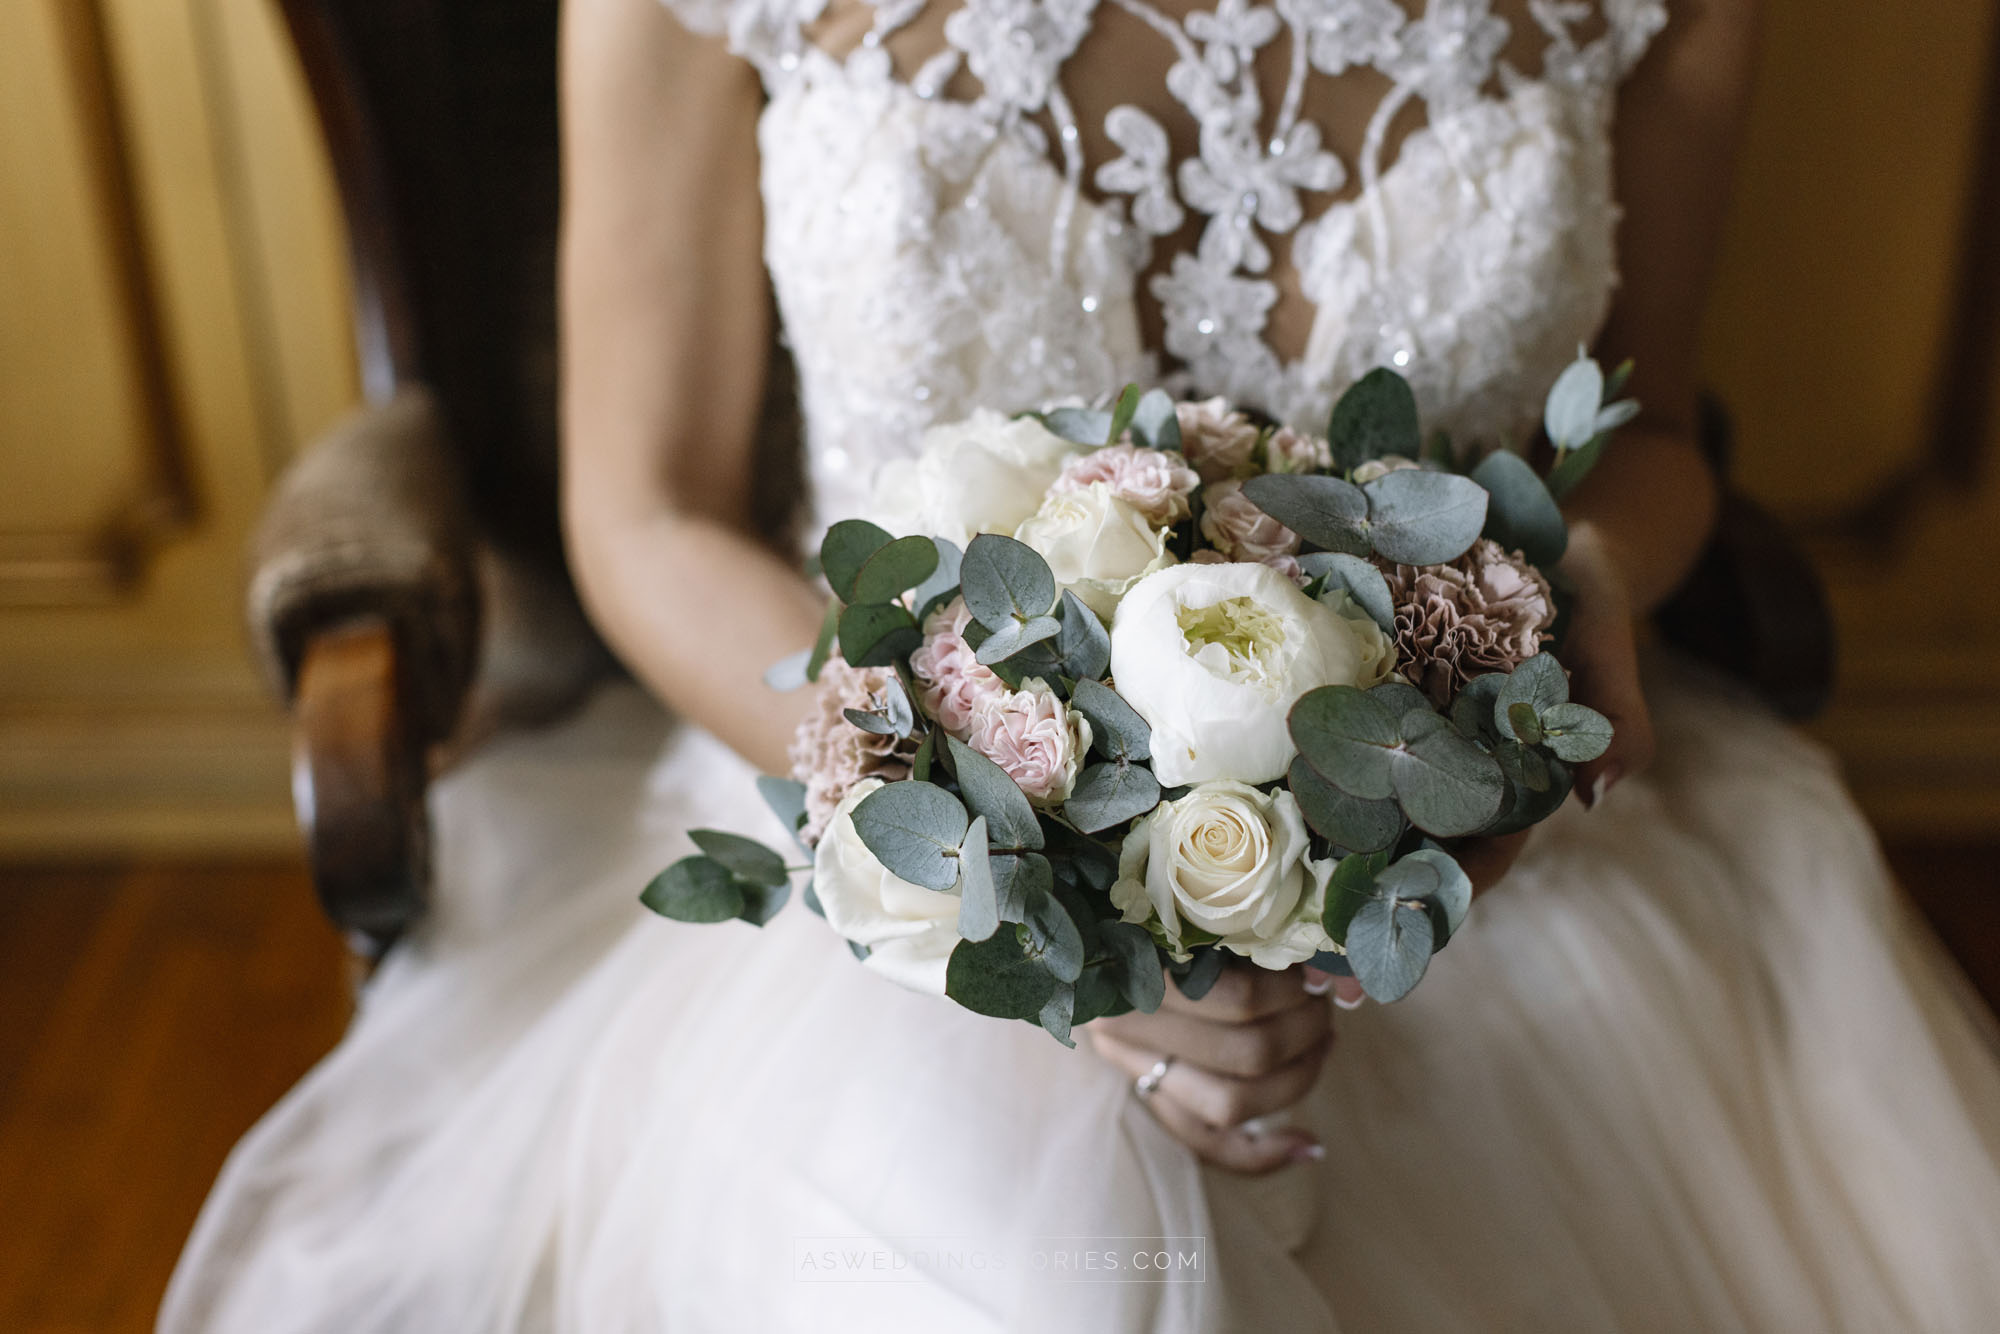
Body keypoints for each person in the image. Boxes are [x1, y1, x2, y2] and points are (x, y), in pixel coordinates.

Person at [162, 0, 2000, 1328]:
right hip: (888, 840)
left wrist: (1584, 573)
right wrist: (1018, 884)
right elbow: (640, 513)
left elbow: (1654, 429)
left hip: (1482, 856)